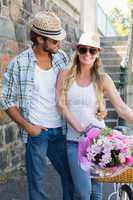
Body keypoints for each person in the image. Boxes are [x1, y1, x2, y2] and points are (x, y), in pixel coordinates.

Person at [0, 11, 74, 200]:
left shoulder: (62, 58)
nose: (60, 44)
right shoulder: (19, 63)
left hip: (61, 130)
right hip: (37, 132)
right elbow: (6, 100)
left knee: (71, 177)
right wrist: (28, 127)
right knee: (37, 185)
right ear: (40, 39)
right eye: (55, 41)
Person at [57, 32, 133, 200]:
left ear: (98, 52)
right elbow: (61, 105)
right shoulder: (65, 74)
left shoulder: (103, 79)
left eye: (92, 51)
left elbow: (121, 108)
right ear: (77, 50)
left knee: (96, 192)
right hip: (75, 141)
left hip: (99, 142)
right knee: (83, 193)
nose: (87, 54)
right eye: (83, 50)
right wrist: (78, 127)